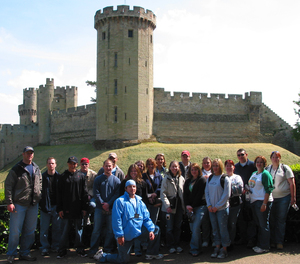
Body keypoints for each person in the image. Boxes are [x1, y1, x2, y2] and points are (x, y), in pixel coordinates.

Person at [99, 180, 163, 263]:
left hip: (139, 231)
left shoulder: (140, 202)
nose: (132, 188)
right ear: (126, 189)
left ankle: (152, 253)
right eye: (129, 187)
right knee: (123, 260)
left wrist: (150, 230)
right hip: (126, 234)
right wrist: (119, 235)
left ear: (136, 188)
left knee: (155, 229)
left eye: (134, 186)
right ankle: (104, 256)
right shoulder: (119, 201)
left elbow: (146, 218)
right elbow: (116, 220)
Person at [5, 146, 42, 263]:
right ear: (23, 154)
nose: (30, 155)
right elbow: (8, 186)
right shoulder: (16, 168)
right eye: (27, 153)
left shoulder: (36, 168)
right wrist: (10, 202)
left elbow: (40, 183)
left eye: (31, 153)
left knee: (30, 231)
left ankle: (25, 253)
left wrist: (38, 195)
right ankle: (11, 254)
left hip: (33, 204)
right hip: (19, 204)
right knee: (15, 232)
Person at [56, 156, 89, 259]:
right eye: (70, 163)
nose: (72, 165)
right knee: (64, 231)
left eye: (74, 163)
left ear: (76, 165)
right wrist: (60, 209)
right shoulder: (62, 177)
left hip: (78, 208)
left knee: (79, 231)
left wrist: (84, 208)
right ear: (68, 164)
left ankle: (79, 249)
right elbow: (59, 194)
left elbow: (84, 193)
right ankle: (62, 250)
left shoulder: (81, 176)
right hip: (66, 208)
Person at [89, 159, 121, 257]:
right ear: (103, 167)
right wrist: (103, 203)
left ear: (113, 167)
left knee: (110, 230)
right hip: (99, 208)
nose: (108, 168)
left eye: (110, 166)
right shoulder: (98, 179)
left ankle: (107, 249)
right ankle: (93, 250)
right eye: (106, 166)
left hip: (111, 209)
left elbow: (117, 194)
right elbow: (96, 192)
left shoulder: (116, 180)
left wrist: (108, 204)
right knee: (96, 230)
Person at [267, 151, 296, 250]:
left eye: (277, 157)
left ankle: (279, 241)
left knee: (281, 220)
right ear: (271, 158)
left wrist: (293, 198)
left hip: (284, 198)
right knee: (271, 219)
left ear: (280, 158)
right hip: (271, 198)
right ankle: (272, 241)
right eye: (273, 157)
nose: (275, 159)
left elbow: (292, 183)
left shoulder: (285, 168)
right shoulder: (268, 169)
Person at [119, 164, 148, 257]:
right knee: (129, 230)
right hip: (127, 212)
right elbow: (120, 196)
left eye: (135, 171)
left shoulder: (142, 183)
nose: (133, 173)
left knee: (138, 230)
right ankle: (127, 249)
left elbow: (145, 198)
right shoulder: (124, 182)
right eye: (132, 171)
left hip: (138, 211)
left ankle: (137, 249)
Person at [205, 158, 231, 259]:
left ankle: (224, 249)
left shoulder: (225, 178)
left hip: (221, 209)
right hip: (212, 209)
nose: (215, 168)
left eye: (217, 166)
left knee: (223, 229)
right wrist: (210, 205)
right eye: (214, 166)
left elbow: (226, 195)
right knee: (215, 229)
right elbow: (206, 192)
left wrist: (217, 206)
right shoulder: (210, 178)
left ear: (220, 166)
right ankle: (217, 246)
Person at [248, 155, 274, 254]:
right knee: (259, 224)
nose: (259, 164)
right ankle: (260, 244)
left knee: (264, 225)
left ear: (264, 164)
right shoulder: (254, 173)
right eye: (257, 162)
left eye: (261, 162)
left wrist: (264, 203)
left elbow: (269, 189)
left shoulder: (265, 174)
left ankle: (265, 246)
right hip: (254, 201)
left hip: (262, 201)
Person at [160, 160, 185, 254]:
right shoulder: (166, 179)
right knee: (169, 228)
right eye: (173, 166)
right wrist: (167, 206)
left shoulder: (181, 178)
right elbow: (163, 194)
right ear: (170, 168)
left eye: (176, 166)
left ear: (178, 168)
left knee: (178, 227)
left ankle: (177, 244)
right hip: (169, 208)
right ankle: (170, 245)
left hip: (179, 207)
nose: (174, 168)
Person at [183, 163, 208, 256]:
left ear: (199, 170)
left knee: (196, 227)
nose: (194, 171)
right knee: (193, 228)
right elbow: (185, 194)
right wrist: (187, 205)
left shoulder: (202, 180)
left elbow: (199, 195)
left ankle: (195, 248)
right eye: (192, 169)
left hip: (199, 207)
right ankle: (198, 247)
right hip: (189, 208)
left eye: (196, 169)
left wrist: (192, 206)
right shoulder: (188, 181)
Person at [234, 148, 257, 247]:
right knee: (241, 218)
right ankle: (243, 238)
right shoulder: (236, 167)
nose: (240, 157)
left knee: (251, 218)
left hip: (251, 195)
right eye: (238, 155)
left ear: (246, 154)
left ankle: (251, 239)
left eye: (242, 154)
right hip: (240, 196)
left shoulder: (253, 165)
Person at [39, 157, 61, 255]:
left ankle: (55, 246)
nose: (51, 165)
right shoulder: (42, 177)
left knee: (57, 228)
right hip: (45, 206)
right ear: (46, 165)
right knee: (44, 228)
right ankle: (44, 247)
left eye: (52, 163)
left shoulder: (59, 177)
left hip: (56, 206)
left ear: (55, 164)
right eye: (49, 163)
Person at [225, 160, 243, 248]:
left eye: (230, 166)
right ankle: (225, 242)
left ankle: (231, 243)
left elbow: (240, 190)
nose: (229, 167)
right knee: (224, 224)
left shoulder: (237, 177)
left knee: (232, 224)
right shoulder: (223, 177)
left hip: (234, 204)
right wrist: (232, 187)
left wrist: (227, 188)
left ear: (234, 167)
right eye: (227, 166)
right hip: (224, 204)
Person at [142, 158, 163, 224]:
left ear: (155, 165)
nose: (151, 166)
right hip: (146, 202)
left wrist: (156, 193)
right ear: (147, 165)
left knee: (154, 220)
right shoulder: (143, 176)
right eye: (149, 164)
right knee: (145, 220)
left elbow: (161, 186)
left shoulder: (159, 176)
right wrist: (148, 196)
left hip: (155, 202)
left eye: (152, 164)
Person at [80, 157, 97, 225]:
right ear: (80, 165)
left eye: (86, 164)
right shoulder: (77, 174)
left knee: (92, 205)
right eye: (83, 164)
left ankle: (88, 216)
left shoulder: (93, 175)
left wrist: (89, 194)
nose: (84, 166)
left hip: (90, 195)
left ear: (88, 165)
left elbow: (95, 187)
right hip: (80, 196)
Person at [200, 157, 212, 247]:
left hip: (213, 200)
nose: (206, 164)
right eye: (204, 163)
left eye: (208, 163)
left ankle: (214, 240)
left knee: (214, 222)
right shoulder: (200, 173)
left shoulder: (215, 172)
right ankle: (205, 239)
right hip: (203, 200)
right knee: (205, 222)